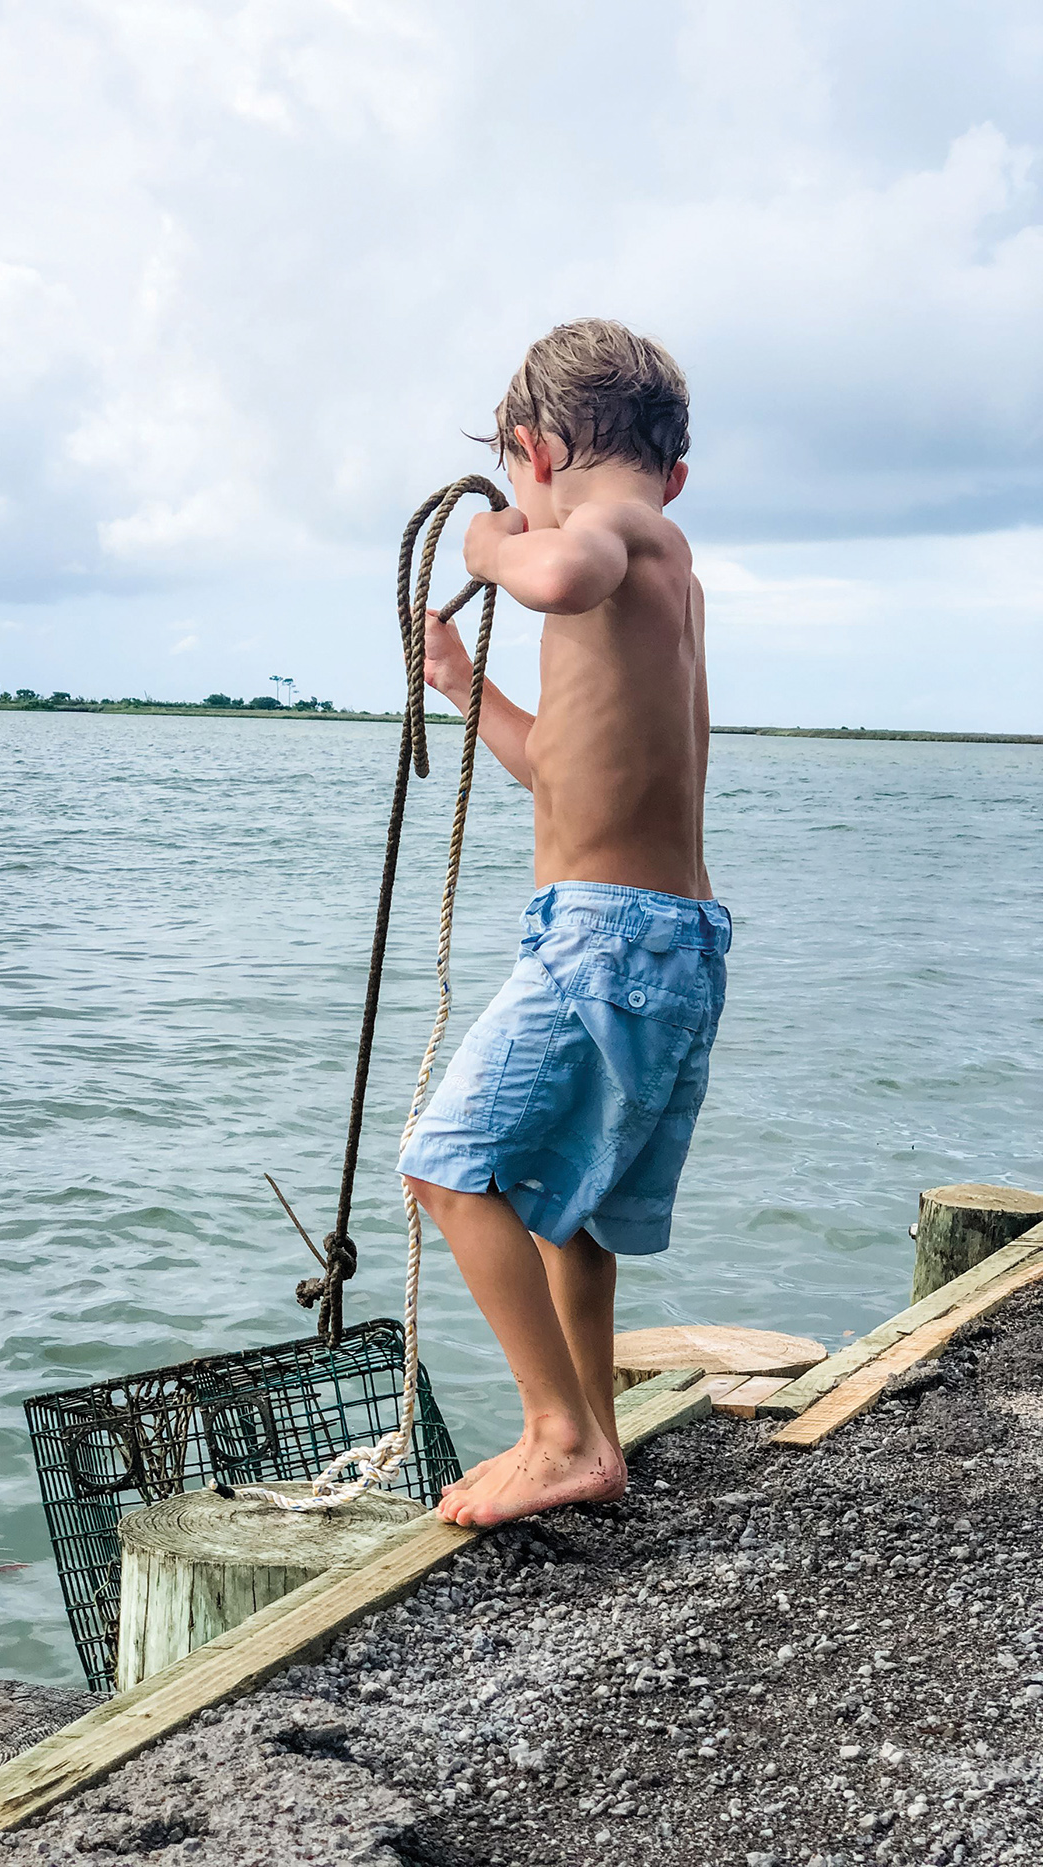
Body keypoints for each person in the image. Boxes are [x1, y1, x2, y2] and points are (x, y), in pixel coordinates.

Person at [399, 318, 731, 1527]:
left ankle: (555, 1436)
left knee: (445, 1168)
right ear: (675, 463)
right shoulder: (663, 571)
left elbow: (554, 569)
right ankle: (589, 1431)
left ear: (530, 453)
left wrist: (490, 544)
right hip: (659, 935)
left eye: (517, 491)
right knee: (565, 1206)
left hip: (608, 936)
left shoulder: (612, 538)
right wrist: (460, 685)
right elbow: (559, 768)